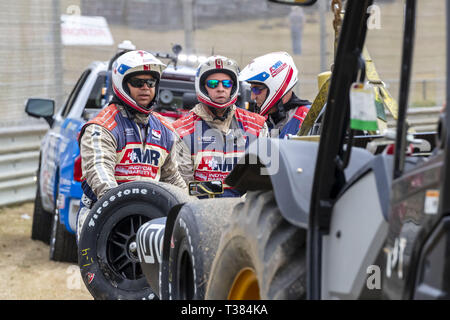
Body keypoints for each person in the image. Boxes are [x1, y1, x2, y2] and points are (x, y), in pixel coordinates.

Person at [76, 50, 186, 240]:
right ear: (122, 84)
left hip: (151, 219)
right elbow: (100, 174)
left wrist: (190, 208)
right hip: (103, 215)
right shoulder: (101, 126)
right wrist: (122, 210)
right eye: (137, 83)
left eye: (150, 83)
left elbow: (172, 178)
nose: (145, 88)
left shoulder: (166, 129)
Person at [173, 55, 268, 197]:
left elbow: (263, 181)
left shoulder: (258, 125)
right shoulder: (180, 130)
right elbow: (183, 188)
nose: (220, 88)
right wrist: (227, 188)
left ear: (233, 87)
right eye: (212, 84)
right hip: (199, 213)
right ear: (202, 87)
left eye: (227, 84)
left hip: (245, 213)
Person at [240, 51, 312, 139]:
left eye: (257, 89)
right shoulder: (260, 120)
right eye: (251, 89)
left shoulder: (309, 117)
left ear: (277, 86)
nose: (252, 97)